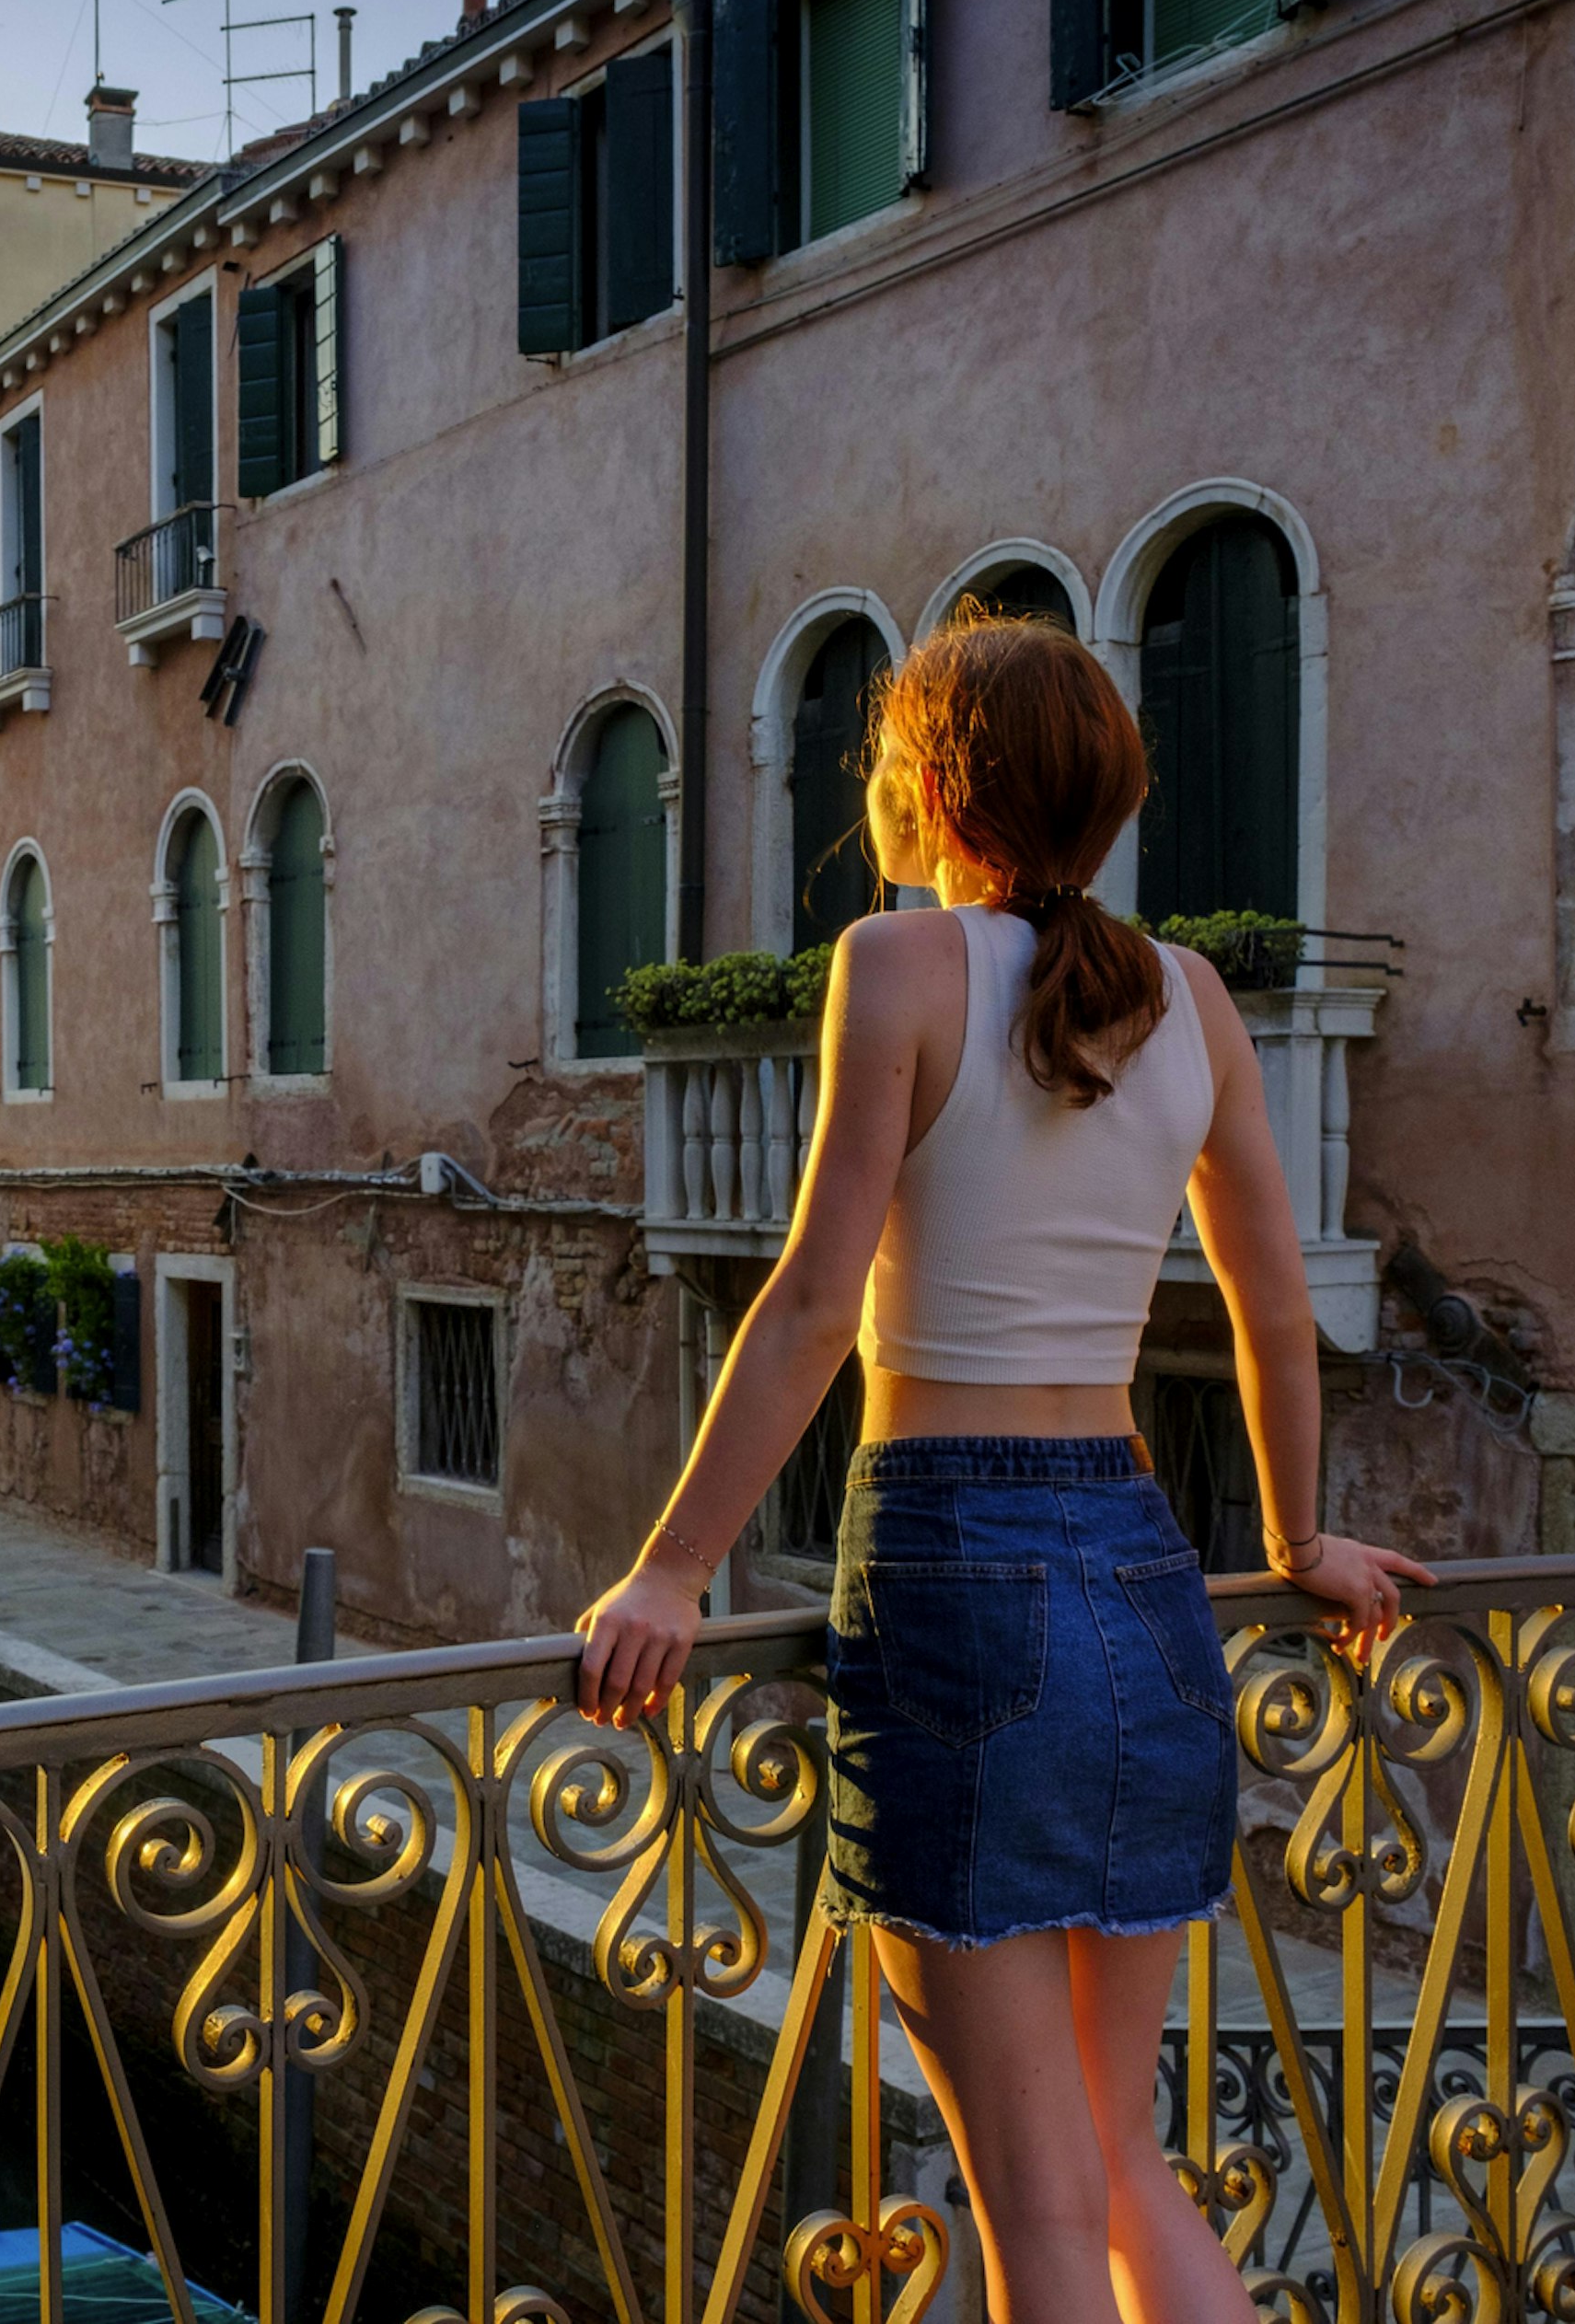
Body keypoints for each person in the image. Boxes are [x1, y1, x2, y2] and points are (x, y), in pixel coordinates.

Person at [571, 613, 1430, 2323]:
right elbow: (1274, 1302)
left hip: (958, 1573)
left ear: (927, 786)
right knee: (1119, 2171)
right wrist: (1300, 1534)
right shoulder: (1190, 995)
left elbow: (818, 1299)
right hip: (1146, 1576)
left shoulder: (896, 967)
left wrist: (672, 1565)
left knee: (1035, 2204)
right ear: (1105, 802)